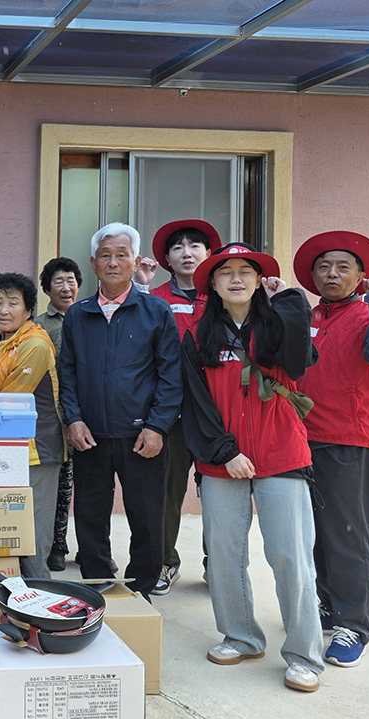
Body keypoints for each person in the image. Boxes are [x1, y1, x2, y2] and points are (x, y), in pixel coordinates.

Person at [181, 242, 322, 693]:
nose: (237, 278)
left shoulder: (278, 323)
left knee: (290, 556)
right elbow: (195, 403)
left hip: (281, 453)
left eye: (246, 270)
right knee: (225, 554)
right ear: (213, 283)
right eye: (226, 272)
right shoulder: (197, 336)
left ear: (260, 280)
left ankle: (304, 655)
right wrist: (225, 452)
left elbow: (299, 364)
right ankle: (241, 637)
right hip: (222, 460)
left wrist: (291, 301)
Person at [293, 231, 369, 668]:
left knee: (348, 535)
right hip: (302, 439)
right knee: (315, 533)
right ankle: (329, 607)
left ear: (360, 276)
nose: (331, 274)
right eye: (323, 267)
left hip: (349, 439)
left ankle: (354, 625)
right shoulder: (311, 315)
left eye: (342, 267)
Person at [58, 222, 181, 598]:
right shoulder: (78, 314)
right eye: (105, 256)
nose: (113, 262)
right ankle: (97, 583)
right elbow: (67, 373)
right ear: (93, 262)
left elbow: (170, 376)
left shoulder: (156, 311)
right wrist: (74, 419)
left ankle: (141, 589)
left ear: (136, 261)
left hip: (141, 435)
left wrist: (157, 427)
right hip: (90, 435)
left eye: (121, 255)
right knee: (90, 516)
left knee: (147, 517)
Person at [139, 220, 221, 595]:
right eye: (178, 248)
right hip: (169, 414)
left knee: (220, 495)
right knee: (166, 493)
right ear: (167, 260)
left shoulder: (223, 297)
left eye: (195, 246)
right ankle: (163, 562)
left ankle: (218, 565)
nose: (187, 253)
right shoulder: (154, 299)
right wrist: (140, 288)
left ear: (208, 254)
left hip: (217, 413)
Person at [0, 273, 66, 580]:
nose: (3, 310)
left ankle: (42, 596)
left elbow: (10, 401)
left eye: (13, 303)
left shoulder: (34, 344)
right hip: (7, 447)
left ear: (29, 310)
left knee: (33, 533)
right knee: (10, 529)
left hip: (36, 449)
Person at [33, 256, 82, 572]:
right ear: (47, 289)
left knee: (85, 486)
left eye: (70, 281)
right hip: (55, 416)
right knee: (59, 486)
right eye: (58, 282)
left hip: (88, 414)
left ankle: (87, 549)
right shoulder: (39, 326)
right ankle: (55, 546)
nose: (66, 288)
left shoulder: (89, 317)